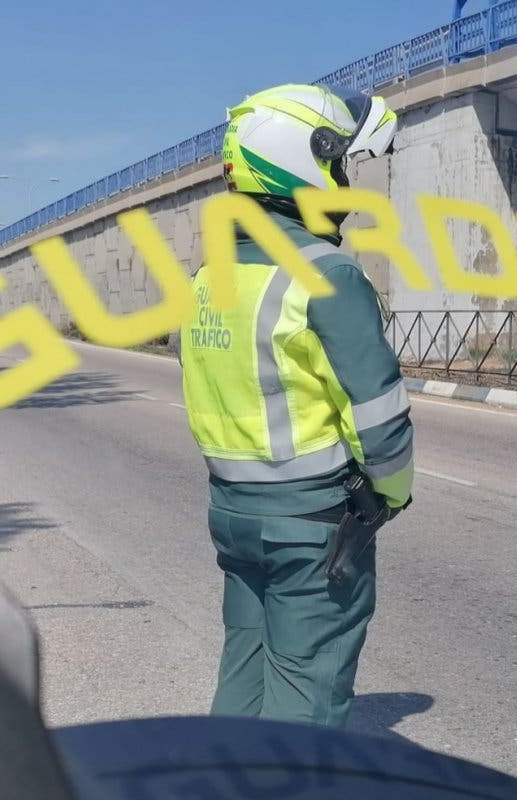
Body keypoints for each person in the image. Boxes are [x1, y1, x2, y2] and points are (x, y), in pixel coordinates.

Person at [178, 83, 413, 728]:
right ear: (305, 163)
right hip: (312, 524)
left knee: (245, 668)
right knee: (309, 688)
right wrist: (389, 492)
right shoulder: (326, 275)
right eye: (340, 166)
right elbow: (379, 409)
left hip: (232, 513)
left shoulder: (209, 281)